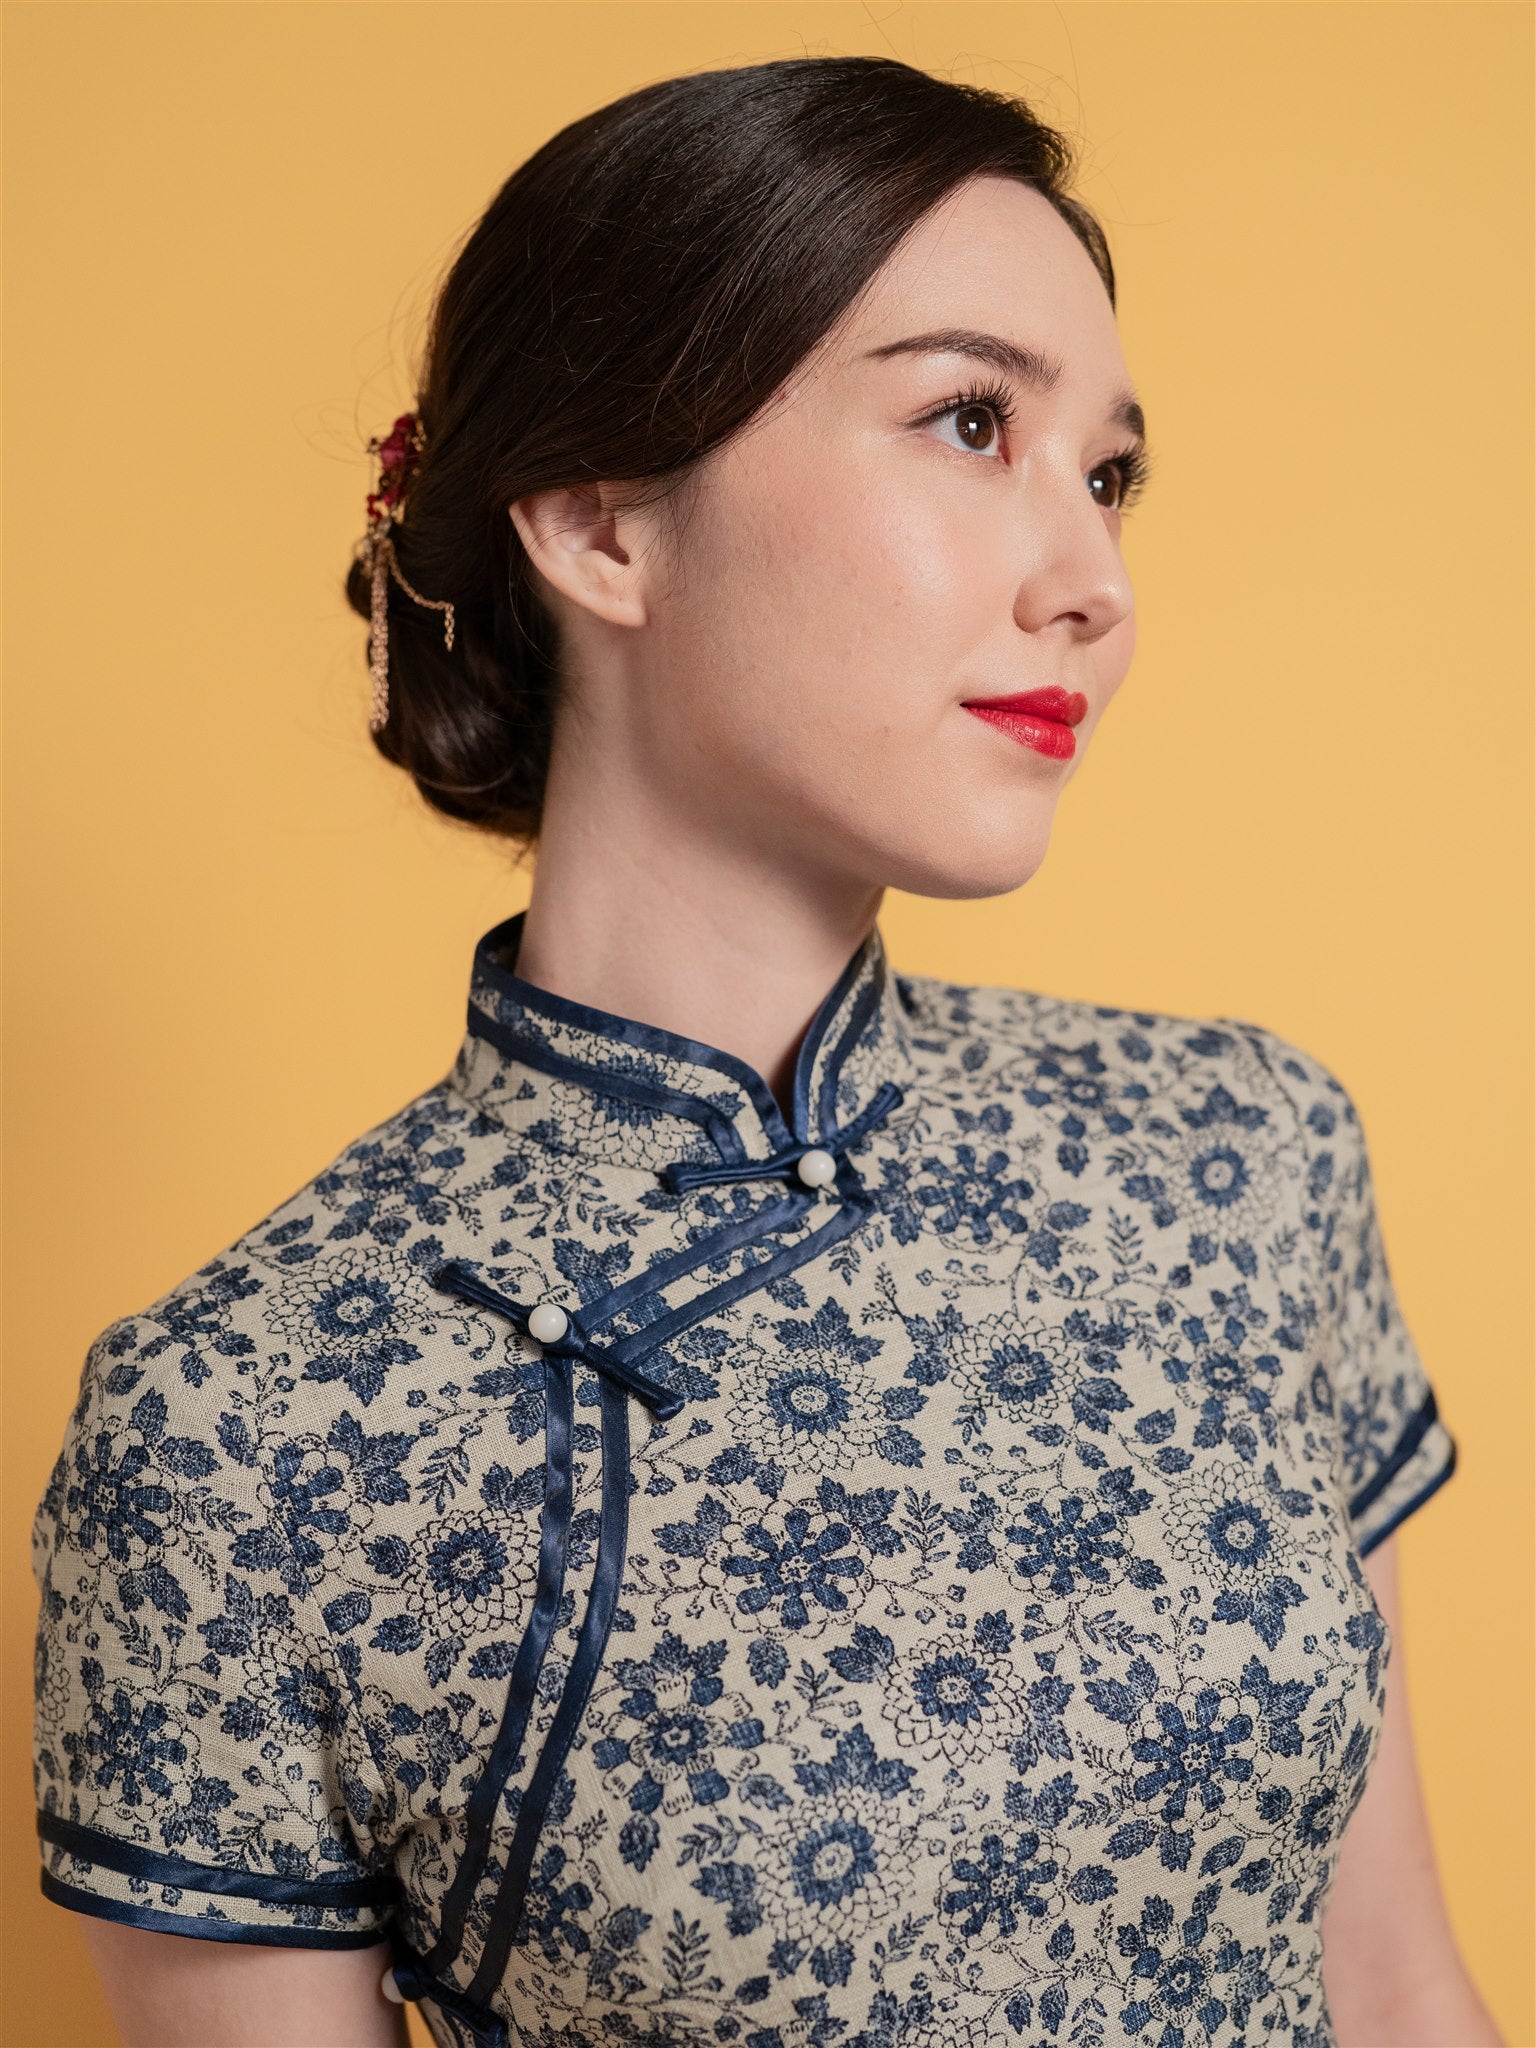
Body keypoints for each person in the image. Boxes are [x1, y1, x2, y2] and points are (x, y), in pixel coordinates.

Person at [29, 52, 1495, 2048]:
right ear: (597, 519)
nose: (1097, 585)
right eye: (971, 423)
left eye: (1109, 471)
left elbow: (1397, 1982)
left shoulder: (1238, 1155)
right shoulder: (242, 1429)